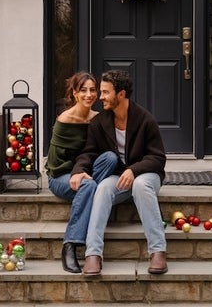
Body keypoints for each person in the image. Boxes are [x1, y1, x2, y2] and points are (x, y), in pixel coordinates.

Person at [70, 69, 167, 276]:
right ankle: (93, 254)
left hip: (147, 176)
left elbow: (158, 158)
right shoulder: (99, 123)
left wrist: (134, 170)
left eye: (105, 92)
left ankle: (158, 250)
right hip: (119, 177)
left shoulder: (145, 120)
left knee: (140, 185)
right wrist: (78, 171)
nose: (100, 97)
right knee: (103, 187)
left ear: (120, 94)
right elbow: (89, 153)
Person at [45, 71, 118, 273]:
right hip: (61, 175)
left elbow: (102, 152)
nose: (89, 95)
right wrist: (76, 173)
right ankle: (69, 245)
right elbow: (55, 162)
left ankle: (88, 193)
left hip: (87, 172)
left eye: (93, 90)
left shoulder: (98, 118)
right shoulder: (65, 119)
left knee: (110, 159)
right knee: (89, 184)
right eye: (83, 90)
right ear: (75, 93)